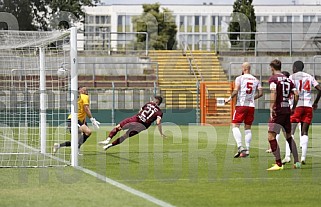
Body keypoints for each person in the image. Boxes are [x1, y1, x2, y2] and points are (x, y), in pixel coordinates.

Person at [282, 60, 321, 165]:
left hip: (297, 105)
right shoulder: (309, 76)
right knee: (304, 132)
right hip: (308, 106)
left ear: (294, 68)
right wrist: (316, 103)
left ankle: (287, 156)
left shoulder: (291, 78)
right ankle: (303, 157)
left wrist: (292, 107)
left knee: (289, 132)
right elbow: (320, 89)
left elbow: (290, 93)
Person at [266, 59, 301, 171]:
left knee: (271, 136)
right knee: (289, 136)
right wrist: (294, 107)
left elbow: (273, 92)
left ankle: (278, 163)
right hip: (287, 110)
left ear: (272, 67)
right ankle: (297, 161)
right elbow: (296, 94)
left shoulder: (273, 79)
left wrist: (272, 107)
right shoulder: (288, 80)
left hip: (278, 110)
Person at [99, 96, 166, 151]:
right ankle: (109, 145)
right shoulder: (160, 112)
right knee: (125, 136)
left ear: (157, 101)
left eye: (154, 100)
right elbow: (158, 122)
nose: (153, 100)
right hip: (142, 126)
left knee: (118, 127)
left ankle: (108, 140)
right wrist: (161, 133)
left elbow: (140, 110)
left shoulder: (149, 104)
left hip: (135, 119)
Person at [225, 62, 263, 158]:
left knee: (235, 125)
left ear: (243, 69)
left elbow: (236, 90)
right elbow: (261, 93)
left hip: (241, 105)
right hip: (251, 106)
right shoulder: (256, 79)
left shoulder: (240, 78)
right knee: (248, 127)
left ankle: (240, 146)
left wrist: (228, 99)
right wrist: (252, 98)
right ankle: (248, 149)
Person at [53, 86, 101, 154]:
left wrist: (84, 122)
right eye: (82, 88)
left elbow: (82, 111)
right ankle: (76, 147)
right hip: (74, 120)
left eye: (85, 88)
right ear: (79, 90)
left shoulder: (79, 98)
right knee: (86, 133)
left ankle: (58, 145)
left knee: (79, 138)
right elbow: (86, 109)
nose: (85, 89)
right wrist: (92, 119)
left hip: (76, 120)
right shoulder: (84, 96)